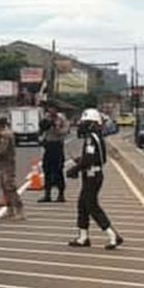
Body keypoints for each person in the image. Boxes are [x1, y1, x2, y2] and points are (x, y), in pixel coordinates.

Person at [67, 108, 124, 250]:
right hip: (92, 174)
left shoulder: (91, 138)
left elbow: (90, 159)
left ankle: (113, 235)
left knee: (92, 206)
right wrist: (80, 161)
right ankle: (83, 237)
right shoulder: (96, 136)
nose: (82, 125)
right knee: (82, 205)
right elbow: (98, 158)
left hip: (92, 175)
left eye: (86, 123)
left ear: (92, 124)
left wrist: (75, 169)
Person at [0, 116, 24, 221]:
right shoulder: (4, 134)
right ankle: (10, 209)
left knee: (10, 186)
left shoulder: (6, 135)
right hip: (3, 163)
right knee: (4, 186)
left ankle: (19, 210)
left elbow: (2, 150)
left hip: (7, 163)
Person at [39, 103, 69, 203]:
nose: (51, 111)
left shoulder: (62, 119)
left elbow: (64, 131)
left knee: (58, 170)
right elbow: (42, 129)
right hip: (48, 146)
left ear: (57, 109)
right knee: (46, 170)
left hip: (57, 146)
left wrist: (55, 127)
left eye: (53, 109)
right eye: (49, 109)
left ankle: (61, 194)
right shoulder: (46, 117)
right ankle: (47, 194)